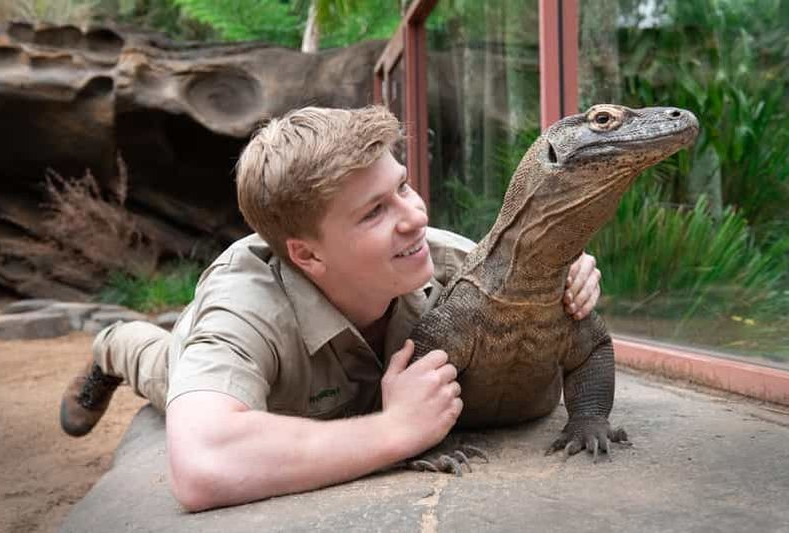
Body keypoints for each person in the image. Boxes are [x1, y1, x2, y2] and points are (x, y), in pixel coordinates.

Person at [59, 105, 601, 512]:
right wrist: (393, 432)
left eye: (404, 186)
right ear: (306, 253)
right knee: (161, 365)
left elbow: (519, 262)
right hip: (268, 379)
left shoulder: (435, 255)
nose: (413, 216)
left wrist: (569, 272)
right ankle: (112, 345)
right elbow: (204, 463)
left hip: (349, 392)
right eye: (373, 213)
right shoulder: (241, 310)